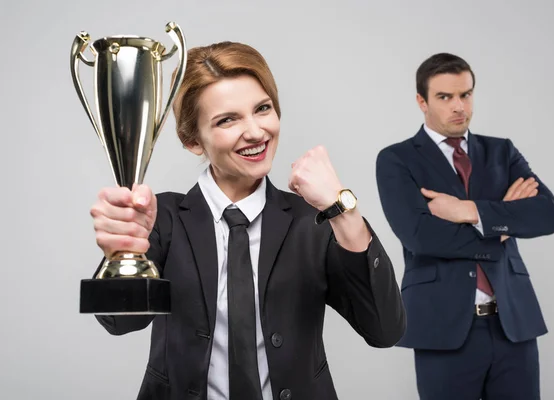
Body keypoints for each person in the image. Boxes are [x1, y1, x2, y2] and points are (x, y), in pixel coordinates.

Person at [89, 41, 405, 400]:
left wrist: (343, 209)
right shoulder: (163, 219)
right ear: (193, 140)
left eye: (263, 109)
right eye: (227, 119)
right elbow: (118, 322)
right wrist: (123, 252)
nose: (255, 132)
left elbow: (385, 331)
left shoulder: (313, 221)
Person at [375, 53, 554, 400]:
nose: (458, 106)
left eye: (466, 94)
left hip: (513, 325)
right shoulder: (397, 159)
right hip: (442, 327)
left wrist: (469, 210)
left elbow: (548, 214)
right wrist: (501, 225)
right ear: (422, 101)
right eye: (445, 97)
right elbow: (420, 236)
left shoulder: (501, 152)